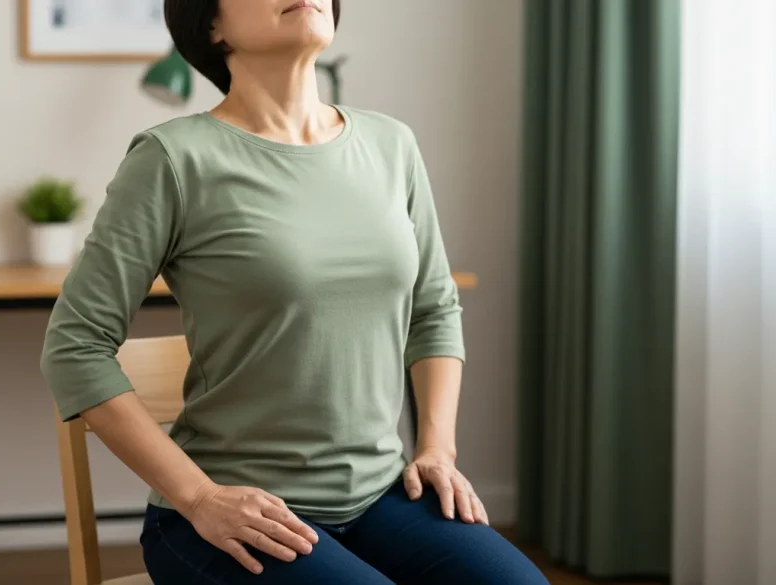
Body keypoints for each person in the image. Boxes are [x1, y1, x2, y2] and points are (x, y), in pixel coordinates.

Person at [40, 1, 548, 583]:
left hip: (383, 495)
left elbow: (432, 310)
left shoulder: (392, 145)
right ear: (212, 24)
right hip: (226, 514)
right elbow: (74, 347)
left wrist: (437, 449)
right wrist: (200, 498)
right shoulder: (173, 159)